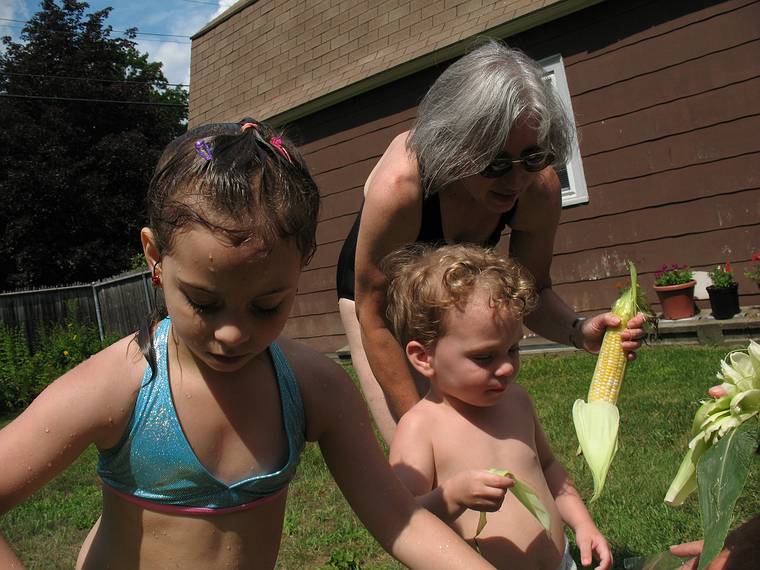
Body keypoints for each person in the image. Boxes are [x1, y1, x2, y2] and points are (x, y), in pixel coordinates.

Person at [0, 120, 500, 569]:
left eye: (265, 306)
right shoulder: (119, 385)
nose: (233, 333)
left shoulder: (314, 386)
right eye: (203, 301)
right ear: (154, 256)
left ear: (302, 264)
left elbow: (399, 519)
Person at [335, 40, 646, 444]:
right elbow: (373, 314)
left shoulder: (536, 188)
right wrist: (421, 431)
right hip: (380, 306)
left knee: (483, 441)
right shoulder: (402, 187)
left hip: (452, 301)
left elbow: (534, 290)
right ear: (453, 145)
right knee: (424, 458)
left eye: (532, 158)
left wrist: (578, 330)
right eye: (494, 163)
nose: (515, 180)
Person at [383, 243, 612, 570]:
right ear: (424, 358)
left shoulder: (516, 401)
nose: (506, 368)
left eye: (513, 350)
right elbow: (403, 520)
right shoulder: (421, 427)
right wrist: (452, 496)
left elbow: (548, 469)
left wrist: (584, 524)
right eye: (485, 357)